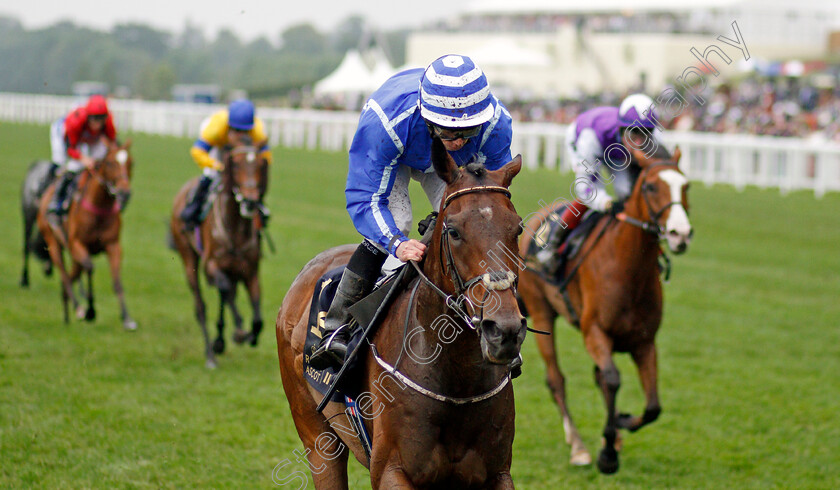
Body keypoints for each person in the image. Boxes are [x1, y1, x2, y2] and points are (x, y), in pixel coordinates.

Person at [309, 54, 514, 370]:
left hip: (444, 166)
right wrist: (396, 243)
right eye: (448, 133)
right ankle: (336, 327)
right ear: (429, 118)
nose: (458, 142)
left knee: (474, 226)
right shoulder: (387, 124)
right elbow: (366, 199)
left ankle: (499, 321)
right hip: (399, 152)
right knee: (400, 222)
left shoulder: (496, 125)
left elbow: (493, 201)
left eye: (468, 132)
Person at [552, 93, 662, 254]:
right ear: (622, 129)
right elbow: (585, 188)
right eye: (634, 133)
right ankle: (555, 242)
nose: (639, 142)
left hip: (616, 150)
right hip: (583, 141)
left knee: (626, 193)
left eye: (645, 133)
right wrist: (607, 203)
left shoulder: (656, 137)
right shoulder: (589, 138)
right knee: (593, 197)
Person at [180, 99, 273, 229]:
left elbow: (266, 158)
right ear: (229, 126)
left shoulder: (258, 131)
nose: (241, 135)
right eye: (236, 131)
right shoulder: (216, 128)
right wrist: (217, 166)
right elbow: (197, 151)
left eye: (245, 132)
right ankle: (192, 210)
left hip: (242, 155)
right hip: (219, 147)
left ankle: (259, 209)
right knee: (210, 176)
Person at [47, 94, 117, 225]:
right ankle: (55, 202)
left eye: (101, 119)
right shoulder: (76, 121)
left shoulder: (108, 123)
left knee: (98, 161)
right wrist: (83, 159)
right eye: (94, 118)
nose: (97, 123)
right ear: (88, 116)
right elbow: (70, 149)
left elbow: (112, 143)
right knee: (66, 163)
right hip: (65, 133)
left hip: (88, 137)